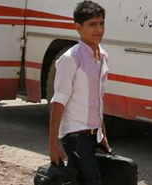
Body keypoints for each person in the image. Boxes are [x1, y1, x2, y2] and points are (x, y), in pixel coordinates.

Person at [49, 1, 111, 184]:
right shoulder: (70, 59)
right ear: (78, 27)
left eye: (101, 23)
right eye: (92, 24)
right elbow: (58, 102)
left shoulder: (103, 56)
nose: (98, 29)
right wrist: (53, 145)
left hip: (93, 136)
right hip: (75, 137)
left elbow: (98, 100)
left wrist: (102, 135)